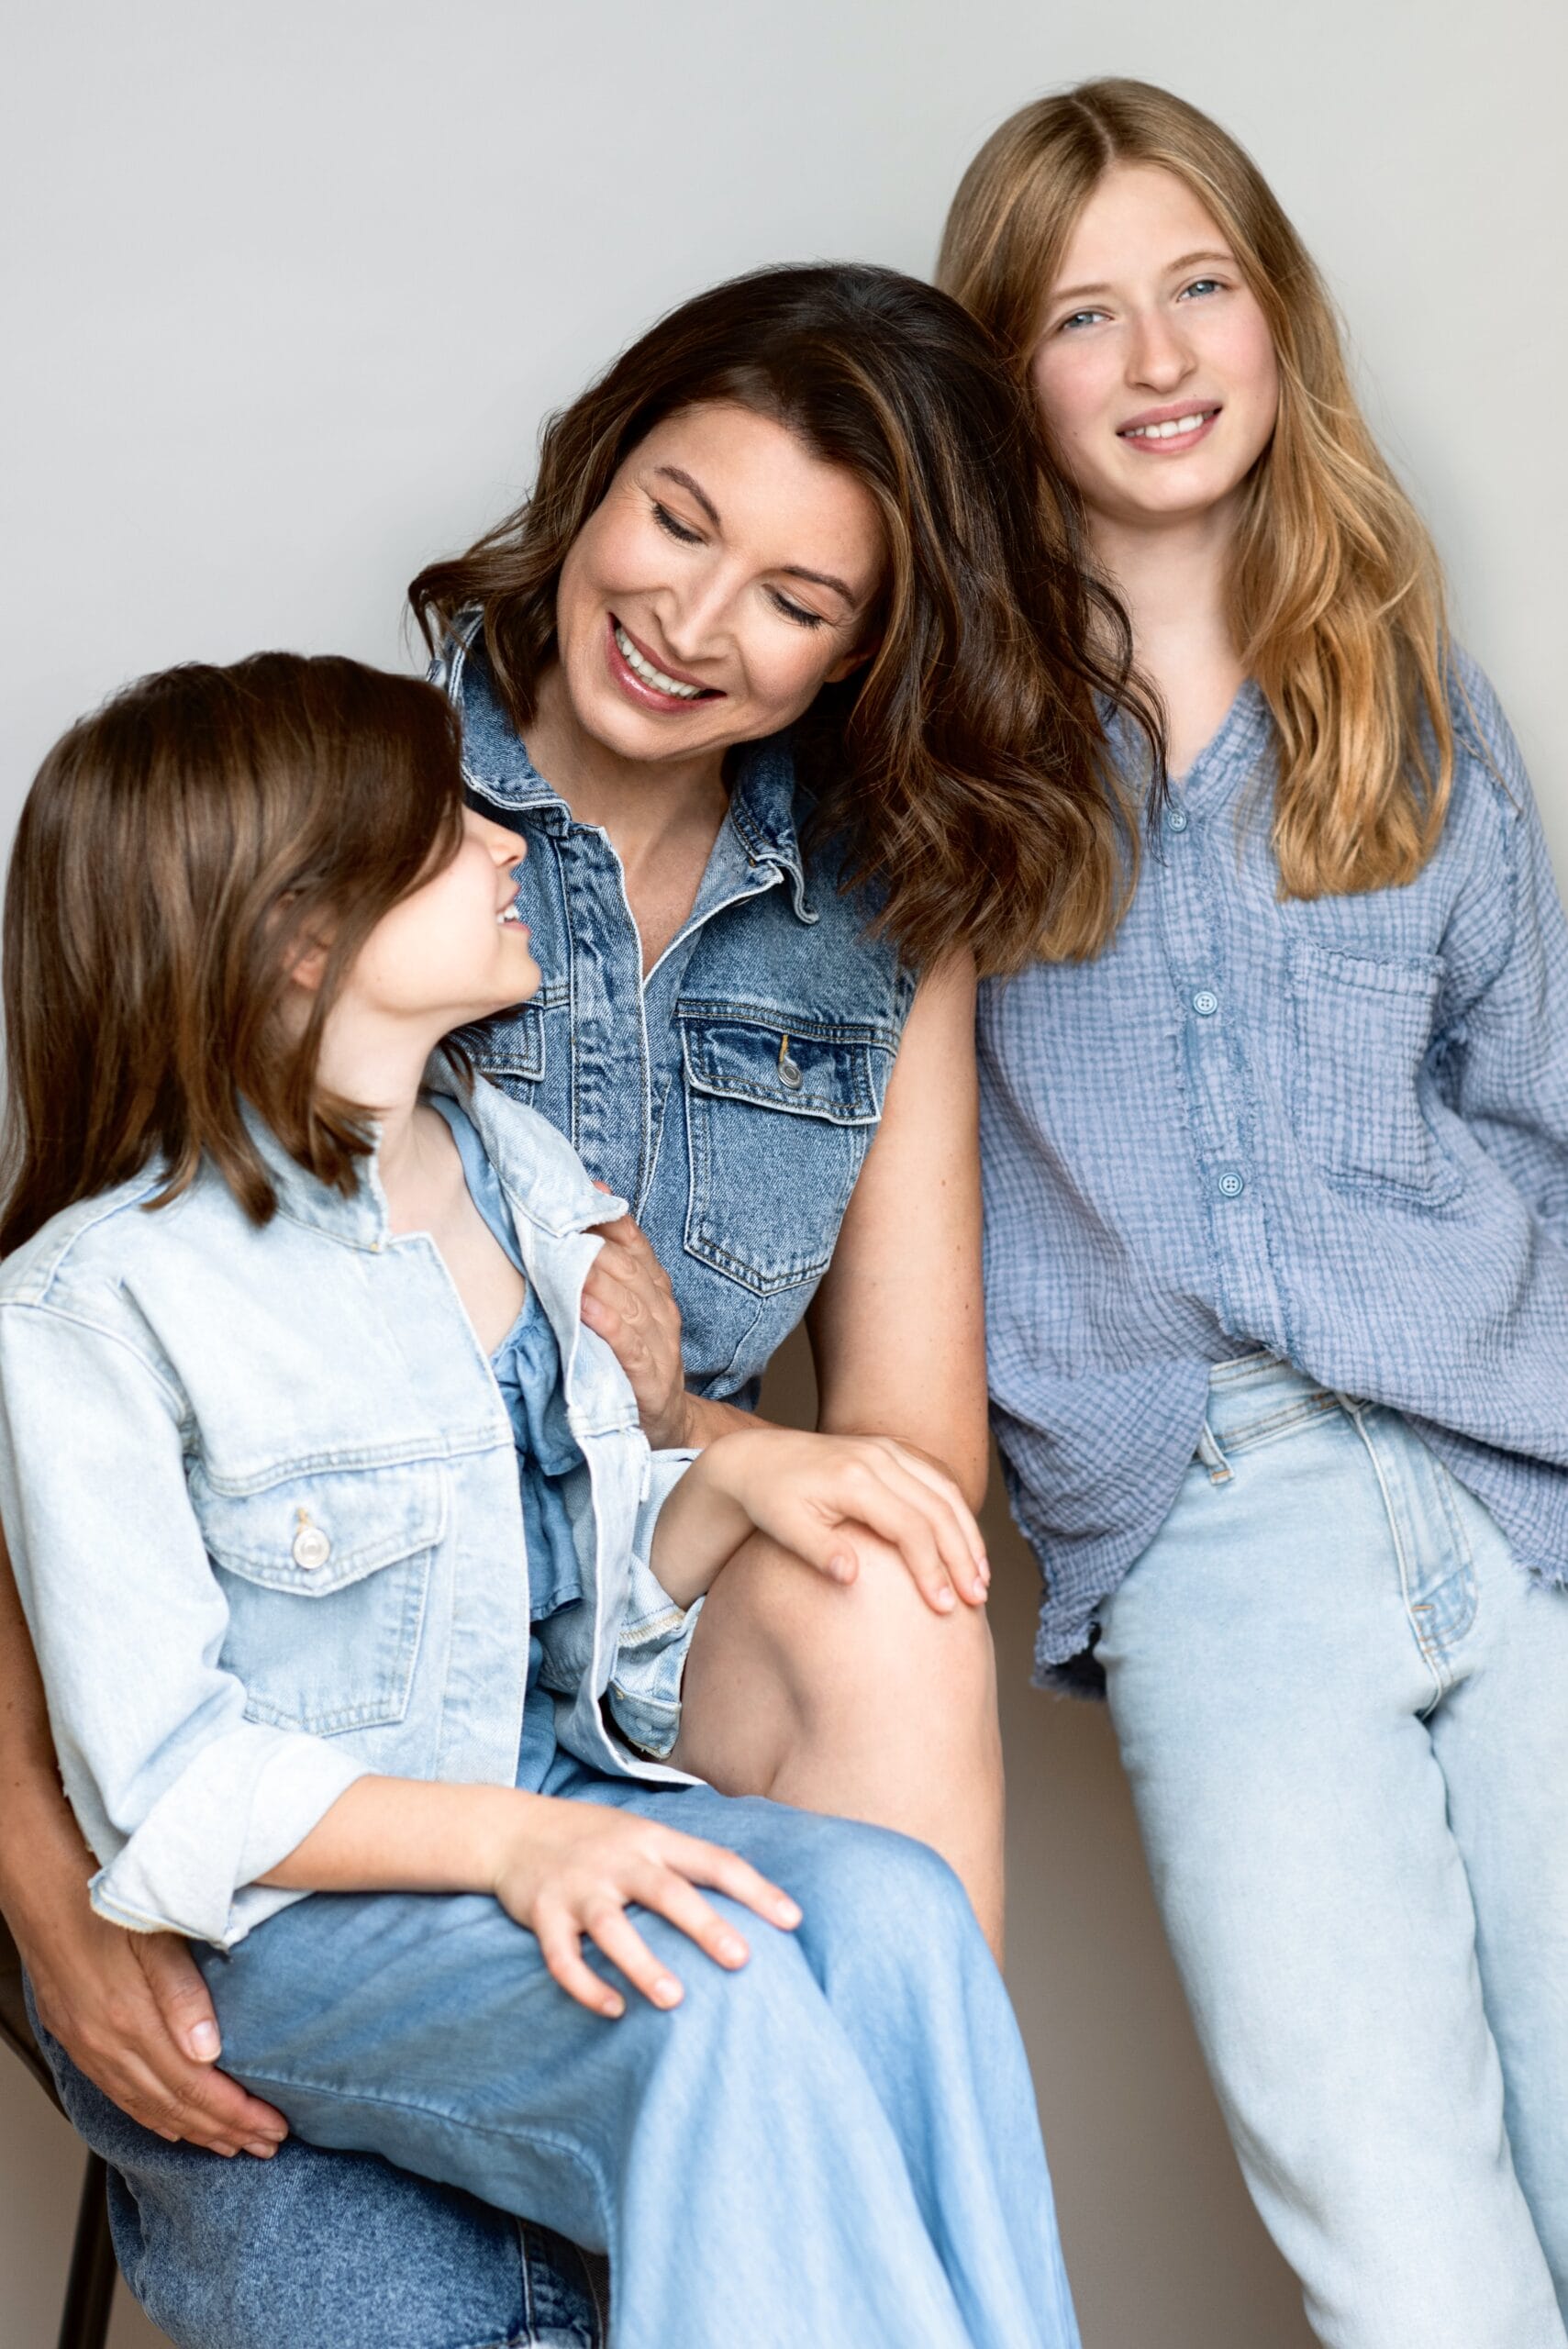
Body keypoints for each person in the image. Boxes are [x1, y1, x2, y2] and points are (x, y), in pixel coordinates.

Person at [0, 265, 1153, 2345]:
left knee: (883, 1845)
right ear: (595, 472)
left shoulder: (542, 1145)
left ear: (866, 647)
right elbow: (100, 1581)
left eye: (797, 597)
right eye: (678, 519)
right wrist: (46, 1882)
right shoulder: (324, 794)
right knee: (662, 2051)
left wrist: (693, 1431)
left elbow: (756, 1489)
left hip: (570, 1697)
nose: (696, 620)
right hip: (300, 1828)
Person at [940, 76, 1568, 2349]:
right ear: (1007, 381)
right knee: (1416, 2266)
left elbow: (1540, 1114)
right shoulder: (954, 757)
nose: (1159, 355)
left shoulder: (1409, 697)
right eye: (1081, 314)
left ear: (1276, 315)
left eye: (1199, 284)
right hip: (1213, 1531)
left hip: (1522, 1496)